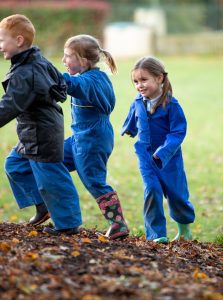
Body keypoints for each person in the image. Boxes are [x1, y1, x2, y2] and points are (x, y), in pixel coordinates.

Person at [0, 14, 82, 235]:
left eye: (2, 40)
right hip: (31, 132)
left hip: (41, 133)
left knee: (52, 178)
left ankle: (68, 224)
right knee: (15, 165)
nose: (0, 46)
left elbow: (9, 105)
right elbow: (60, 83)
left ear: (18, 41)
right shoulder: (35, 60)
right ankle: (42, 206)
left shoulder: (26, 72)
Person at [60, 34, 129, 240]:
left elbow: (74, 86)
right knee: (51, 161)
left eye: (68, 56)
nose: (64, 60)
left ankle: (118, 224)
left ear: (83, 60)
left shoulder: (91, 81)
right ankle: (52, 206)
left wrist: (47, 73)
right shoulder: (90, 77)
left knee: (94, 180)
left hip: (92, 138)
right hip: (79, 138)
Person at [121, 56, 195, 243]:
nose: (139, 85)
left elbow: (178, 132)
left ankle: (184, 229)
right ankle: (157, 235)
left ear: (159, 78)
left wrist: (163, 152)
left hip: (169, 159)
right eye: (136, 82)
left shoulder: (171, 105)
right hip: (145, 156)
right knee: (152, 190)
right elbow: (133, 116)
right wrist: (129, 129)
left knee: (177, 194)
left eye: (144, 80)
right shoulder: (138, 101)